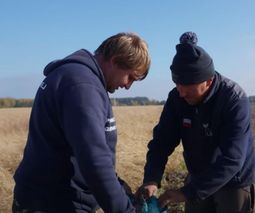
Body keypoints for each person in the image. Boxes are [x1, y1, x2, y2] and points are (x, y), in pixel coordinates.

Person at [12, 32, 151, 213]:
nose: (128, 86)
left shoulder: (79, 79)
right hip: (54, 203)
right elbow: (94, 159)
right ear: (115, 61)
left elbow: (80, 149)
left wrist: (116, 185)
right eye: (130, 77)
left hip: (48, 198)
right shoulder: (83, 87)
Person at [138, 32, 255, 213]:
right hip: (198, 175)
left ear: (208, 81)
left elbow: (232, 159)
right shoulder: (177, 98)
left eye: (188, 90)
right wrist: (151, 179)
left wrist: (186, 193)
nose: (182, 94)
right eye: (177, 86)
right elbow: (162, 141)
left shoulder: (233, 98)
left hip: (232, 181)